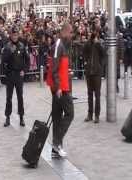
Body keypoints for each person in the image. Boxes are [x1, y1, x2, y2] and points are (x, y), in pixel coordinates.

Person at [46, 23, 74, 158]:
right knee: (70, 114)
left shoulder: (61, 45)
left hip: (60, 86)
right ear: (64, 32)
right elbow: (54, 68)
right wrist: (58, 87)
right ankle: (56, 143)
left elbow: (58, 66)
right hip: (60, 88)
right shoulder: (59, 45)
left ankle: (56, 148)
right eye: (70, 32)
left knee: (57, 117)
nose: (71, 35)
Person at [2, 27, 30, 127]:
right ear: (10, 35)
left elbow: (27, 60)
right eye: (13, 35)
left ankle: (21, 117)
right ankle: (7, 117)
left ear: (18, 35)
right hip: (10, 75)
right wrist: (10, 52)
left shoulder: (22, 46)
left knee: (20, 97)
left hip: (19, 75)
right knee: (8, 98)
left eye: (16, 35)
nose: (14, 36)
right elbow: (3, 60)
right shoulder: (7, 46)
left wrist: (24, 71)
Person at [83, 17, 106, 123]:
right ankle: (89, 114)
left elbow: (104, 54)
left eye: (96, 32)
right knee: (89, 94)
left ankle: (97, 115)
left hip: (97, 72)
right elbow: (84, 52)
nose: (94, 33)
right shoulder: (89, 42)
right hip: (89, 72)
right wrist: (89, 40)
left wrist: (97, 43)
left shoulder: (101, 42)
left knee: (97, 94)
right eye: (93, 31)